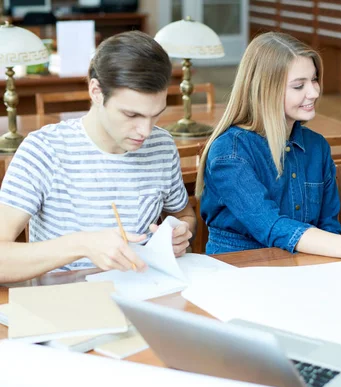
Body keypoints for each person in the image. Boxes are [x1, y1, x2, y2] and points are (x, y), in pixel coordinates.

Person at [0, 31, 196, 283]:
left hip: (144, 292)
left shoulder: (162, 145)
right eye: (131, 115)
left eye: (155, 115)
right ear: (96, 91)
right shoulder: (44, 149)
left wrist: (181, 234)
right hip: (65, 304)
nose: (145, 132)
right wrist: (82, 245)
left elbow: (184, 216)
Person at [197, 32, 341, 265]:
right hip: (239, 270)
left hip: (303, 268)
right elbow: (271, 226)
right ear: (265, 91)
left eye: (314, 80)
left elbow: (329, 226)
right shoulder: (230, 151)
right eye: (299, 86)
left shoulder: (317, 146)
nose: (315, 93)